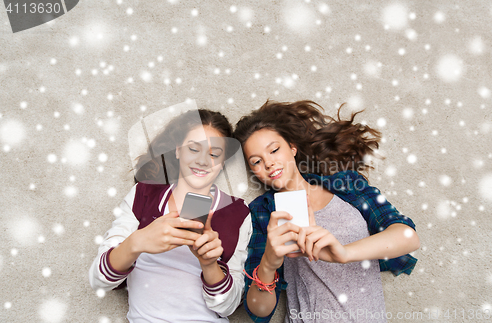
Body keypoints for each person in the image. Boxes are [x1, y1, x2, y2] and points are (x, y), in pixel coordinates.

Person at [233, 100, 420, 323]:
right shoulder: (262, 213)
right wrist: (268, 263)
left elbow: (408, 237)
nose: (269, 163)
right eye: (256, 161)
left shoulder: (348, 185)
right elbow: (258, 311)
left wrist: (344, 253)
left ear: (292, 147)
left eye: (274, 150)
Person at [89, 107, 252, 322]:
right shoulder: (144, 193)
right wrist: (137, 242)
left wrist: (210, 264)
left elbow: (228, 307)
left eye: (214, 154)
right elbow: (98, 280)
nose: (203, 160)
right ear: (177, 151)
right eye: (194, 149)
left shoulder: (238, 212)